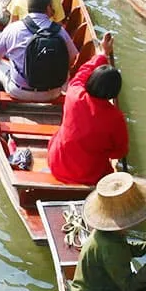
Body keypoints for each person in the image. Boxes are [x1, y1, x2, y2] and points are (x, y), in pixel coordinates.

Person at [49, 31, 127, 185]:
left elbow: (83, 72)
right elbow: (120, 151)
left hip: (57, 165)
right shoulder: (115, 117)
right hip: (92, 176)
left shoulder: (74, 93)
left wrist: (102, 54)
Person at [0, 0, 78, 102]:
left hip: (19, 92)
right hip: (52, 93)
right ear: (48, 8)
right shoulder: (59, 31)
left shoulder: (13, 28)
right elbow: (72, 59)